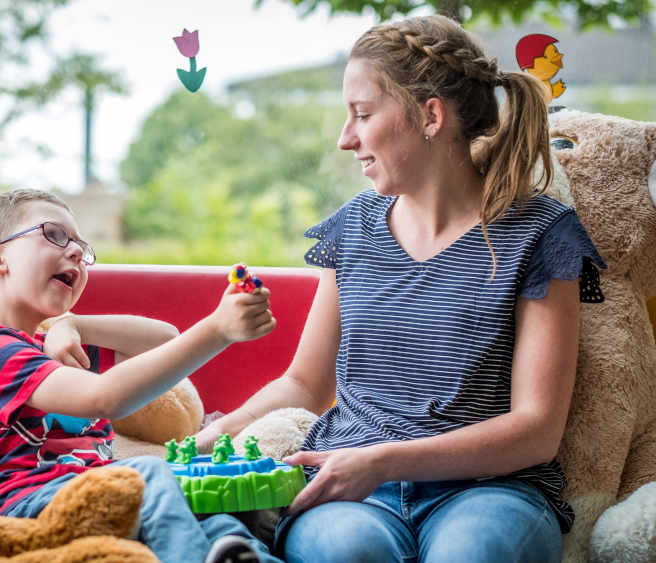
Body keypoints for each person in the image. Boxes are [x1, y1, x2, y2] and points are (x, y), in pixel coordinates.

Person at [195, 14, 605, 563]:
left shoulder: (539, 234)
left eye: (362, 114)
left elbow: (536, 432)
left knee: (474, 552)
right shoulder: (353, 228)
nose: (346, 139)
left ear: (430, 115)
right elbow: (302, 384)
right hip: (352, 490)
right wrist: (194, 447)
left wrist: (385, 460)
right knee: (348, 551)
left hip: (489, 490)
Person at [0, 188, 280, 563]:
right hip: (28, 509)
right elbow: (106, 397)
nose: (76, 252)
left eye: (83, 248)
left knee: (218, 523)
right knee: (147, 476)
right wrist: (217, 330)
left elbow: (163, 339)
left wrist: (74, 323)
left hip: (101, 496)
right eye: (55, 235)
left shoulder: (56, 346)